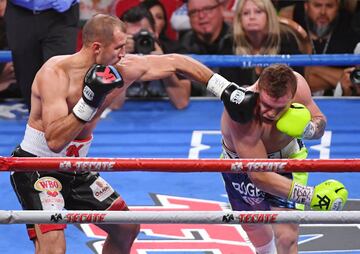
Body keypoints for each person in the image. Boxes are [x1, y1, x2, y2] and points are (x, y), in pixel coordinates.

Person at [9, 13, 259, 254]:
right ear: (97, 48)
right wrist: (88, 102)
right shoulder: (55, 73)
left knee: (126, 227)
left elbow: (176, 62)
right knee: (53, 246)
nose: (124, 53)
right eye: (118, 47)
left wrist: (227, 90)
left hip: (76, 168)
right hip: (37, 166)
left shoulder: (121, 68)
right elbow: (54, 141)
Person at [219, 63, 348, 253]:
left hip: (287, 159)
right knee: (256, 229)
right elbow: (260, 176)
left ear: (291, 96)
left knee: (287, 237)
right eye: (267, 105)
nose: (271, 113)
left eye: (280, 108)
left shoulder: (299, 86)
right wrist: (311, 196)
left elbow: (319, 119)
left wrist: (310, 129)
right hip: (242, 165)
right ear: (259, 90)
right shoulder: (241, 111)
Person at [111, 5, 190, 110]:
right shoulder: (114, 57)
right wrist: (121, 61)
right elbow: (114, 106)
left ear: (155, 33)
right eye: (132, 38)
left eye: (142, 35)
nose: (139, 41)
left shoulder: (174, 52)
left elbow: (181, 103)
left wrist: (163, 63)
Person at [4, 0, 80, 110]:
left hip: (60, 17)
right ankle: (37, 123)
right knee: (28, 81)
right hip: (21, 13)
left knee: (60, 79)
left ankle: (58, 124)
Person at [219, 0, 304, 87]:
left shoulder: (286, 40)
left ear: (268, 16)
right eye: (246, 13)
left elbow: (297, 80)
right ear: (239, 19)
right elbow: (227, 85)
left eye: (258, 12)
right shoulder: (230, 43)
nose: (252, 17)